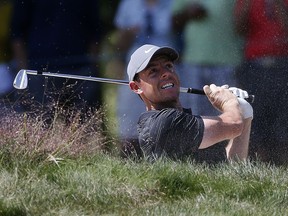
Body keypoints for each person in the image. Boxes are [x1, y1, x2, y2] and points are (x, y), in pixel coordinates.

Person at [126, 44, 253, 163]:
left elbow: (228, 169)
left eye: (168, 66)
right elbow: (234, 125)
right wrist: (229, 102)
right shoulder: (164, 122)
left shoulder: (186, 121)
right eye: (153, 71)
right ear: (136, 87)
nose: (166, 73)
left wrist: (245, 114)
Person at [10, 0, 104, 121]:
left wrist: (92, 67)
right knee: (40, 128)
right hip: (39, 72)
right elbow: (17, 32)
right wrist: (23, 69)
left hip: (80, 70)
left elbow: (95, 31)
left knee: (83, 128)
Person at [113, 0, 176, 156]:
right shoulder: (128, 4)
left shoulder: (175, 3)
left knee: (169, 120)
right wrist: (128, 34)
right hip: (137, 71)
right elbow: (119, 44)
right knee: (129, 123)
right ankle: (128, 162)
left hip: (168, 69)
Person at [234, 0, 288, 165]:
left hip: (282, 63)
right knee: (255, 118)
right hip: (254, 65)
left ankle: (283, 168)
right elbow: (238, 29)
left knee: (283, 121)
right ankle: (260, 167)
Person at [171, 0, 244, 116]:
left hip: (227, 61)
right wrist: (187, 13)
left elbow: (245, 22)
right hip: (194, 61)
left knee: (228, 113)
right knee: (193, 114)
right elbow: (172, 23)